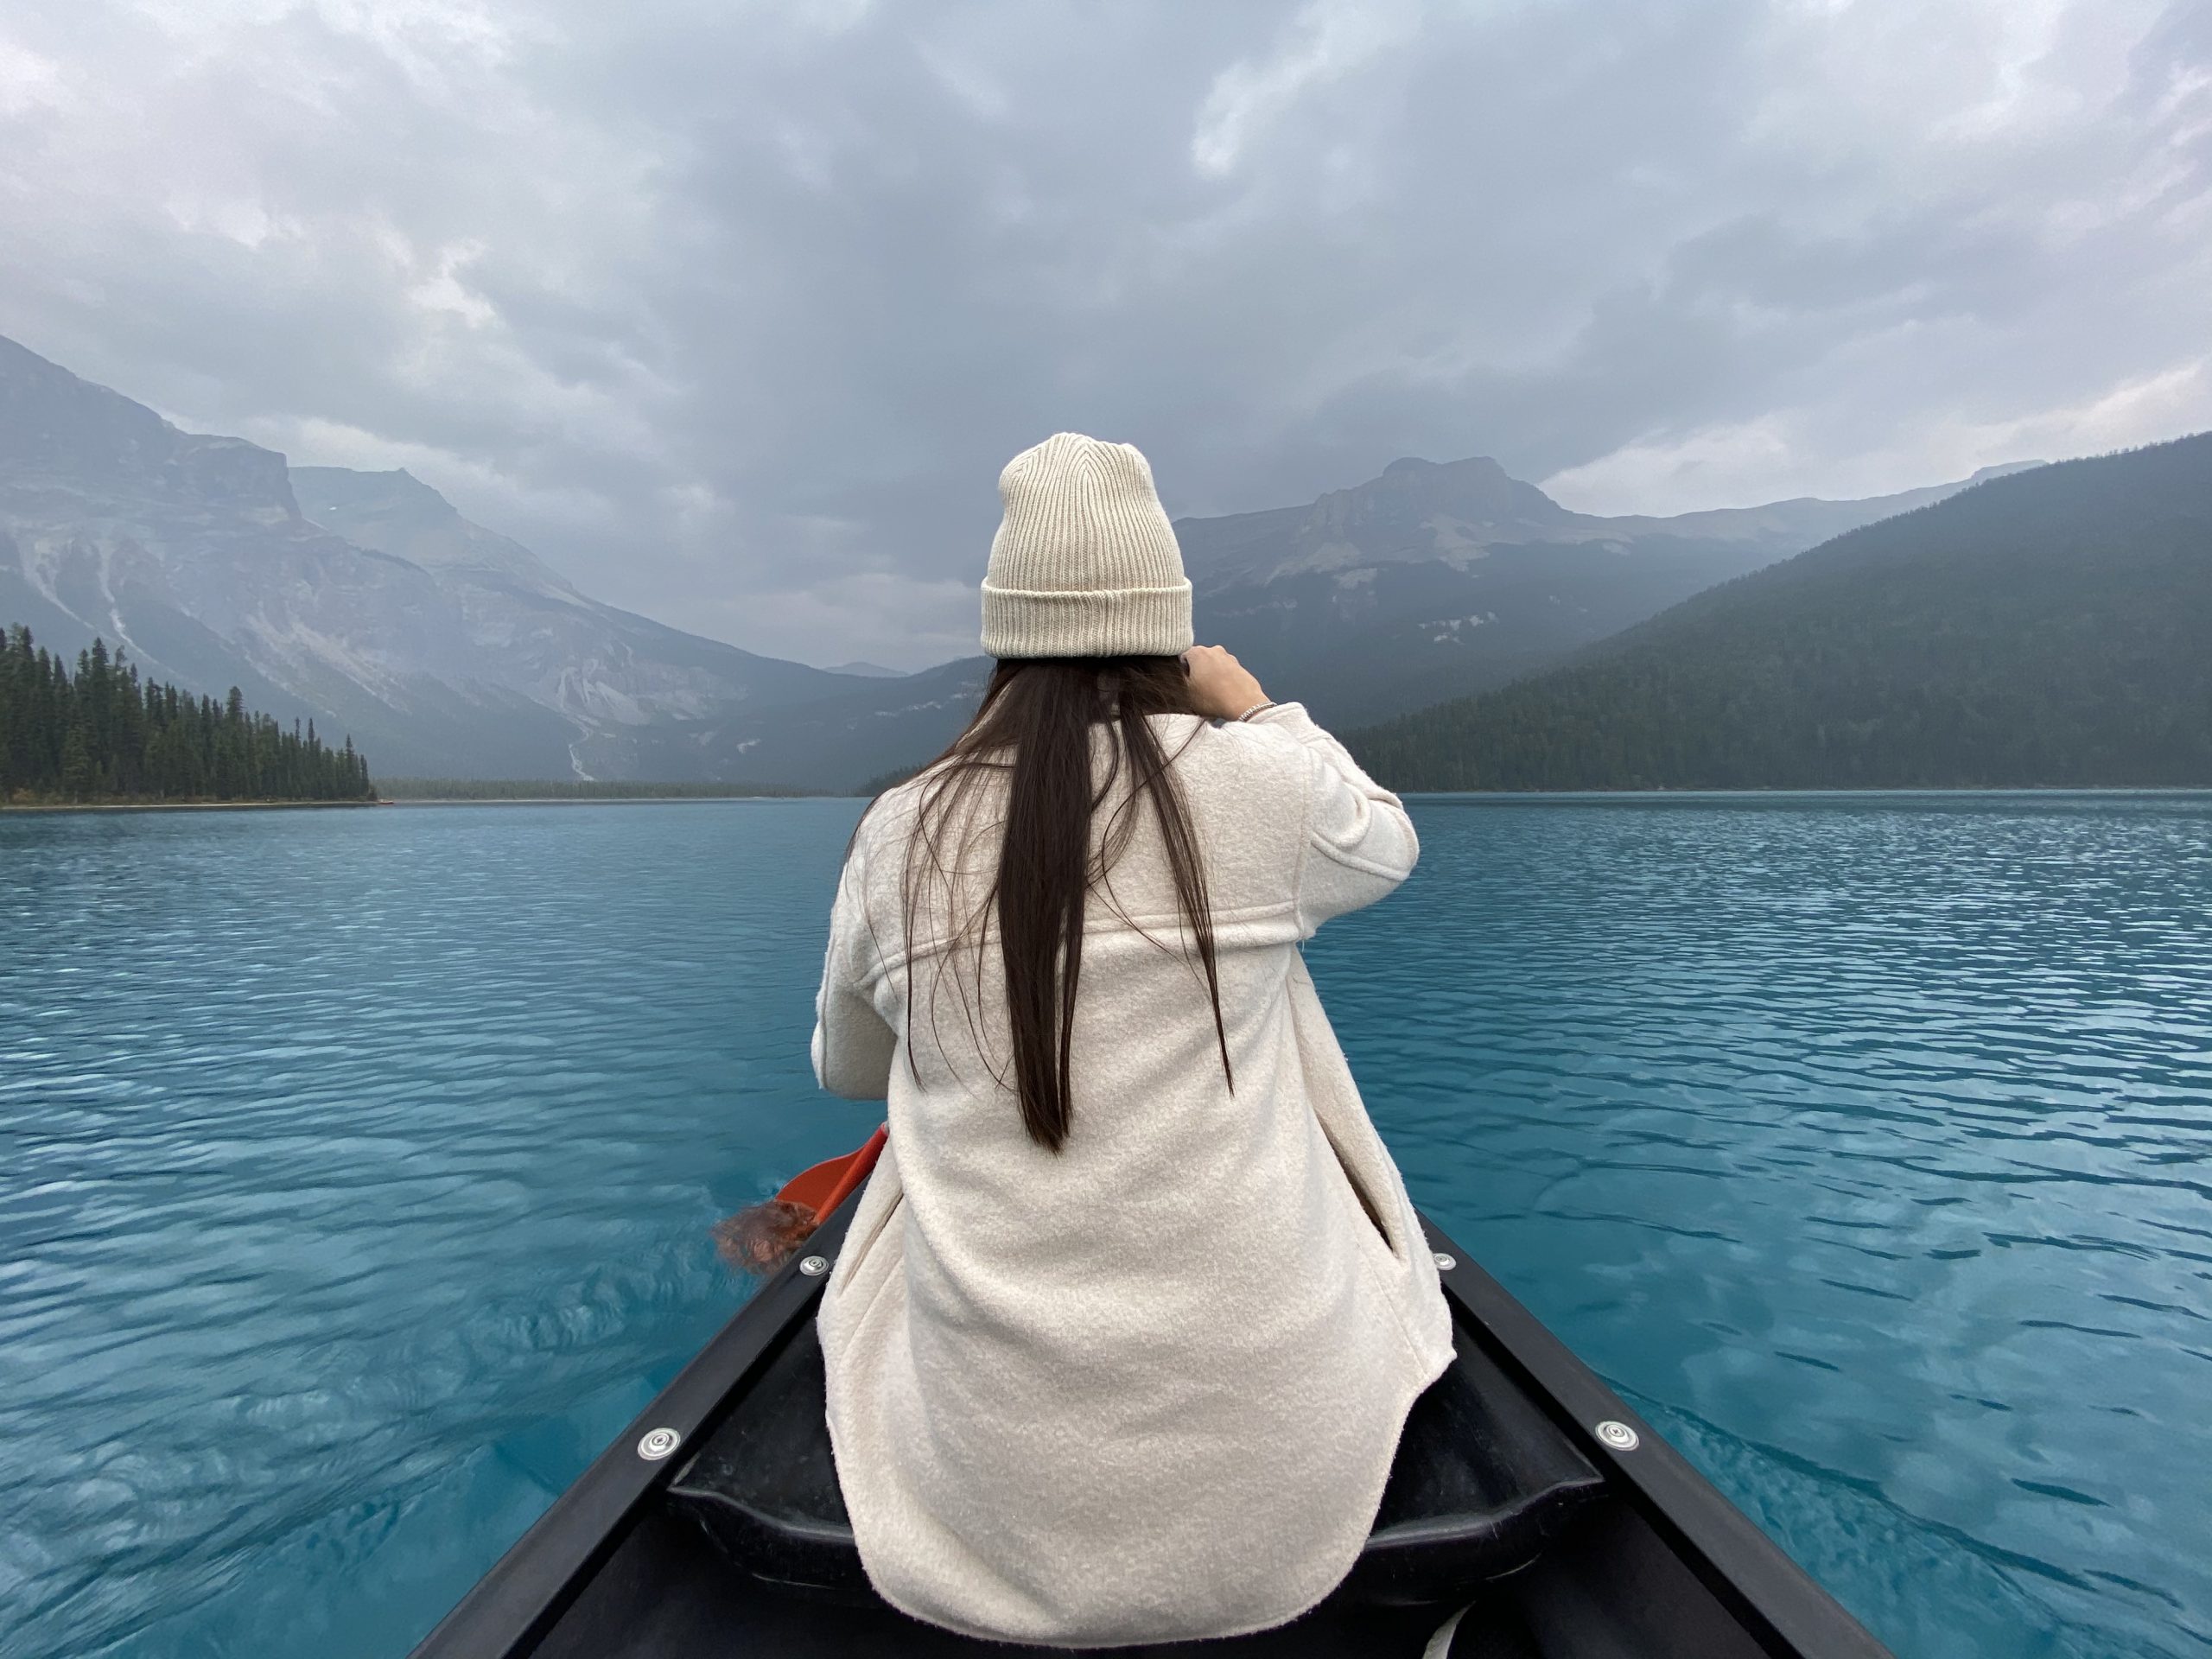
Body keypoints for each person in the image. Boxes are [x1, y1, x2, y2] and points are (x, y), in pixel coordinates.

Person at [810, 432, 1452, 1647]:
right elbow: (1387, 842)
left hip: (989, 1496)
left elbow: (849, 1075)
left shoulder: (899, 832)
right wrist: (1257, 706)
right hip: (1279, 1480)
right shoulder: (1254, 784)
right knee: (1271, 996)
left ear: (1004, 633)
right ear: (1166, 626)